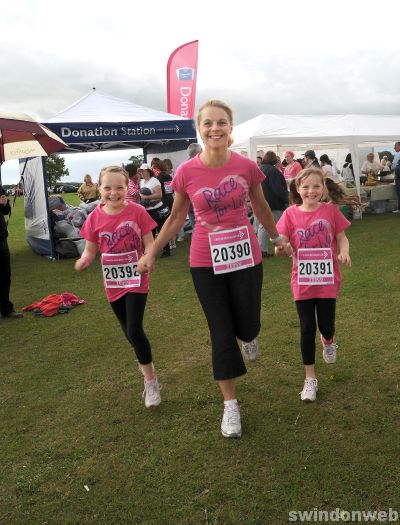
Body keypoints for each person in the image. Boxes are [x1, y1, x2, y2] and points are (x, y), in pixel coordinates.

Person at [137, 99, 284, 438]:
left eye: (222, 122)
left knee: (247, 325)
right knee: (220, 332)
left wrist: (276, 238)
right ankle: (230, 405)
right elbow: (175, 218)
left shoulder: (247, 167)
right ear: (200, 130)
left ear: (230, 128)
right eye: (208, 123)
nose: (215, 128)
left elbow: (261, 207)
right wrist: (153, 252)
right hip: (205, 261)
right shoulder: (187, 172)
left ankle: (248, 337)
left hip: (246, 257)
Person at [74, 165, 161, 407]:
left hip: (136, 278)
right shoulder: (94, 217)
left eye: (120, 187)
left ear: (128, 187)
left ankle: (150, 381)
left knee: (134, 330)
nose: (114, 192)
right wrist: (85, 260)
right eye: (108, 188)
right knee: (128, 333)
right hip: (113, 283)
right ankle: (146, 364)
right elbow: (91, 250)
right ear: (99, 189)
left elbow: (149, 242)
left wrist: (148, 256)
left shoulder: (137, 212)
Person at [276, 168, 352, 402]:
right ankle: (310, 378)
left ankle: (328, 340)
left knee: (326, 325)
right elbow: (282, 244)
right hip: (303, 281)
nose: (311, 191)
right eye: (306, 187)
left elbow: (341, 236)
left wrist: (344, 252)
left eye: (316, 186)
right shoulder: (289, 214)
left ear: (324, 189)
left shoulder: (330, 211)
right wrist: (283, 248)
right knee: (307, 327)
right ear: (298, 189)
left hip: (328, 279)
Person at [255, 151, 289, 257]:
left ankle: (262, 250)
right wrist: (286, 197)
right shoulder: (274, 171)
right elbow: (277, 189)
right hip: (275, 204)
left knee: (262, 227)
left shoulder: (259, 169)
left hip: (261, 202)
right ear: (274, 159)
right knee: (283, 226)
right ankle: (287, 249)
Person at [138, 163, 171, 258]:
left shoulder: (154, 181)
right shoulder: (142, 182)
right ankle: (149, 252)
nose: (141, 172)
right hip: (147, 210)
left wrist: (146, 197)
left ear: (148, 171)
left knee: (161, 231)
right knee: (149, 232)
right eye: (140, 171)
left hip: (157, 209)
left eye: (143, 170)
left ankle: (166, 250)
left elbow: (159, 195)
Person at [0, 186, 23, 319]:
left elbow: (6, 210)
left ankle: (6, 309)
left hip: (2, 240)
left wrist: (4, 204)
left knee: (5, 276)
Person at [392, 142, 400, 213]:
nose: (394, 148)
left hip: (399, 175)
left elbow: (394, 165)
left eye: (395, 146)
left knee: (399, 192)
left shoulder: (398, 154)